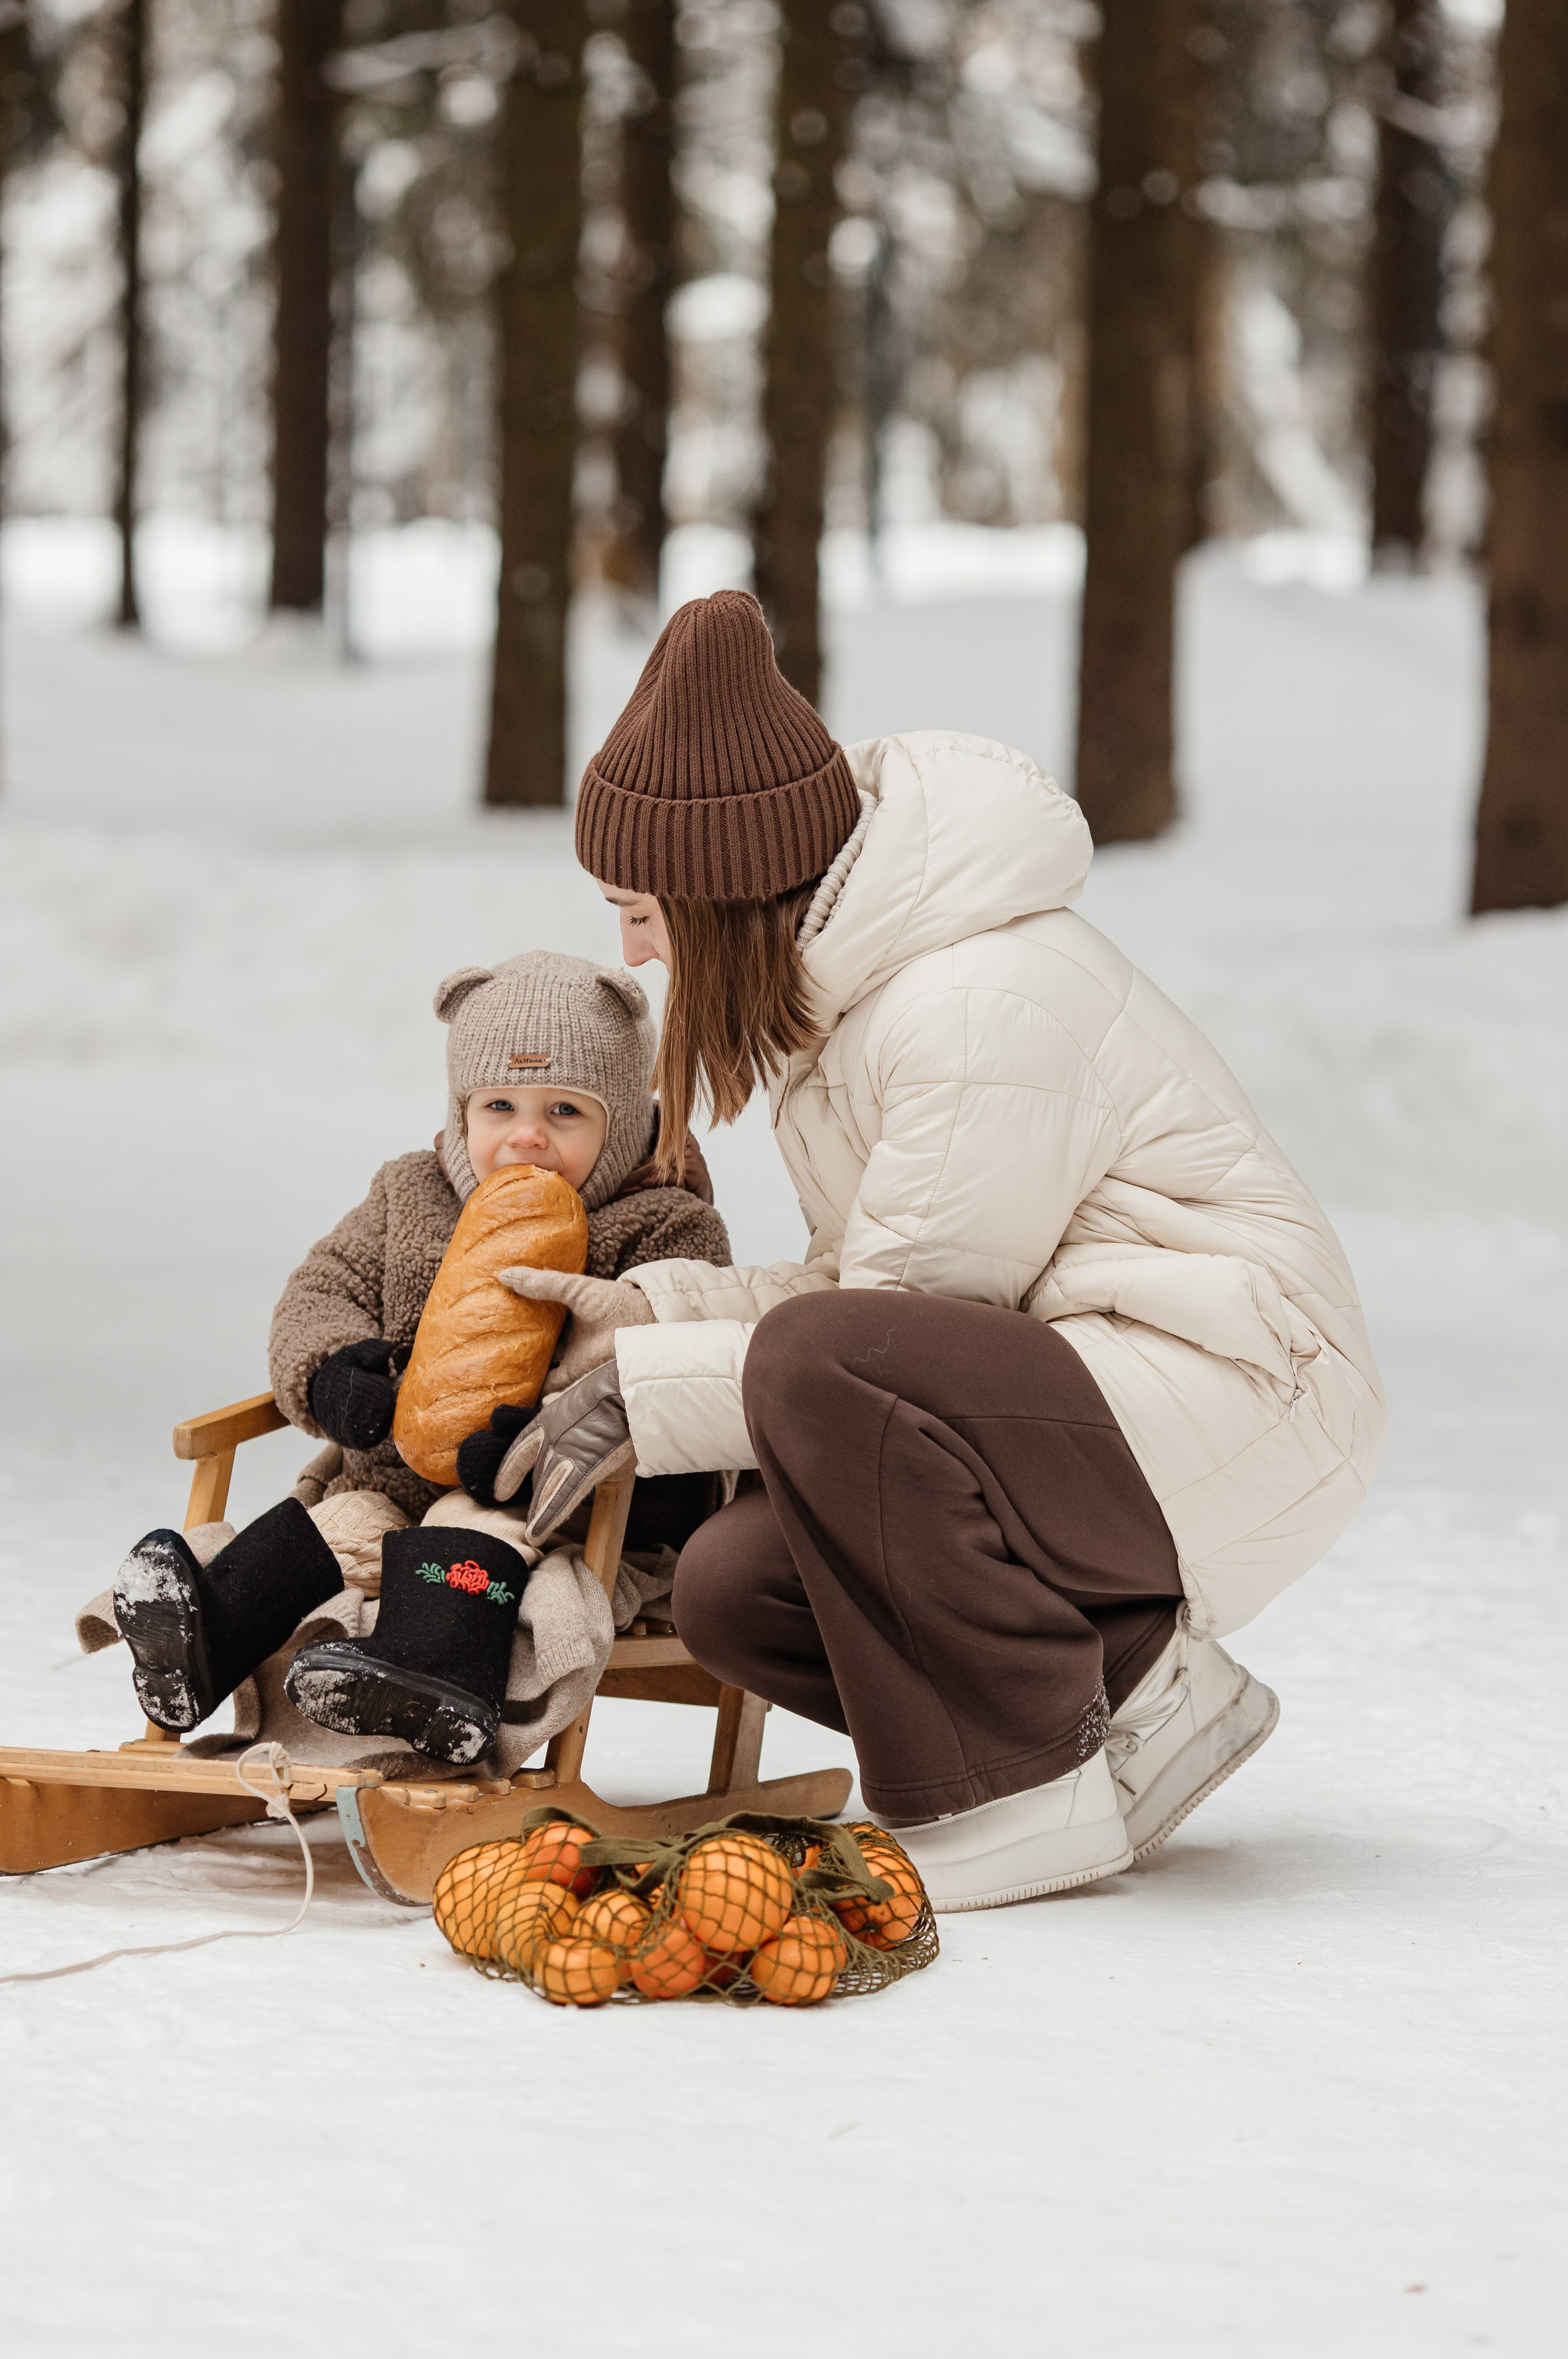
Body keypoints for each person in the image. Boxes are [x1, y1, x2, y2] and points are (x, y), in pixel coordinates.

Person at [501, 590, 1387, 1912]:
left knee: (819, 1373)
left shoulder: (970, 1000)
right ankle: (1139, 1694)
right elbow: (868, 1312)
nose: (630, 946)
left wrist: (645, 1394)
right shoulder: (854, 1007)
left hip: (1235, 1393)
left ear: (722, 889)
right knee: (732, 1586)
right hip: (1084, 1405)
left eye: (639, 907)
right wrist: (648, 1312)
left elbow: (882, 1337)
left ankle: (1020, 1787)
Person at [109, 951, 730, 1765]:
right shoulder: (410, 1194)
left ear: (620, 1119)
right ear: (461, 1109)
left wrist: (536, 1440)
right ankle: (204, 1647)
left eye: (566, 1111)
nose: (527, 1135)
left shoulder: (661, 1227)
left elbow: (665, 1368)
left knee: (470, 1526)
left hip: (553, 1504)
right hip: (393, 1473)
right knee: (339, 1524)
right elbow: (320, 1288)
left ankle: (438, 1678)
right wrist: (331, 1371)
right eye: (498, 1104)